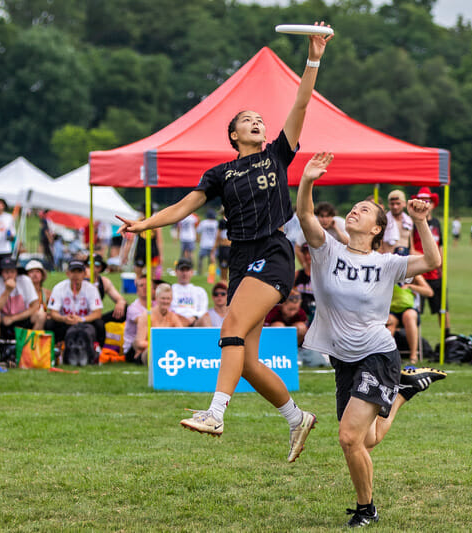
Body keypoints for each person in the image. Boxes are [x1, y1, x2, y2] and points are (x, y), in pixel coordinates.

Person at [116, 25, 331, 460]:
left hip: (272, 253)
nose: (258, 123)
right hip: (241, 259)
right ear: (233, 135)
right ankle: (296, 418)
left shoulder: (277, 153)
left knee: (229, 329)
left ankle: (215, 413)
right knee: (247, 361)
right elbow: (183, 208)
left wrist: (313, 58)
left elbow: (302, 101)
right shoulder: (220, 174)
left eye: (261, 121)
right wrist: (144, 225)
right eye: (248, 121)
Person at [296, 152, 446, 527]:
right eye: (354, 207)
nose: (354, 211)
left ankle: (367, 510)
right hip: (343, 360)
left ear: (377, 228)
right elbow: (305, 215)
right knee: (367, 439)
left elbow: (431, 261)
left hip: (378, 354)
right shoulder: (327, 251)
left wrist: (420, 221)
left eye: (364, 210)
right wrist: (308, 180)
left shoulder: (387, 263)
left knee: (349, 438)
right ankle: (402, 393)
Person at [0, 257, 40, 364]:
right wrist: (7, 291)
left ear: (16, 272)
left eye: (12, 271)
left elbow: (35, 306)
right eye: (6, 272)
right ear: (1, 272)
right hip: (2, 318)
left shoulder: (25, 280)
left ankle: (29, 351)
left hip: (21, 317)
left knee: (40, 315)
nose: (9, 275)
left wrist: (13, 318)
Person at [411, 187, 449, 335]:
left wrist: (442, 267)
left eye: (427, 201)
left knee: (442, 307)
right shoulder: (413, 222)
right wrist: (426, 259)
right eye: (421, 201)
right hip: (419, 272)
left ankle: (447, 338)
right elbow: (411, 247)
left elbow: (440, 247)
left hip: (435, 273)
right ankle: (416, 342)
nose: (424, 204)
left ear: (432, 204)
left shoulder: (437, 223)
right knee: (416, 309)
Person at [44, 260, 103, 344]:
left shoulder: (91, 289)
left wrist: (81, 319)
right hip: (65, 321)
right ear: (67, 274)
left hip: (84, 322)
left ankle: (98, 348)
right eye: (73, 272)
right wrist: (64, 318)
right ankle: (53, 347)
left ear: (84, 274)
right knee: (49, 323)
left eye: (79, 272)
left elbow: (97, 313)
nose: (76, 275)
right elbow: (53, 312)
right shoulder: (59, 288)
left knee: (99, 323)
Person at [386, 272, 433, 365]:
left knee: (409, 316)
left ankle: (413, 355)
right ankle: (385, 355)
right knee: (389, 322)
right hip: (392, 310)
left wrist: (411, 287)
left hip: (410, 309)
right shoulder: (388, 272)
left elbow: (429, 292)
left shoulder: (414, 274)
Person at [169, 257, 209, 327]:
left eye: (187, 270)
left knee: (206, 319)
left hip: (195, 321)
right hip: (176, 320)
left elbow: (203, 310)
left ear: (191, 272)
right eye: (182, 270)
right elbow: (169, 309)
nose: (184, 273)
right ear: (176, 271)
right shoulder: (170, 289)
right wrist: (182, 319)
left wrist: (194, 317)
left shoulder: (200, 291)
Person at [91, 253, 127, 324]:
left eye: (97, 265)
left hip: (96, 317)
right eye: (89, 263)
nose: (93, 267)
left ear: (101, 268)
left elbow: (119, 298)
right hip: (80, 317)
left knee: (126, 310)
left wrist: (120, 302)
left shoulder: (104, 282)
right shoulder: (79, 281)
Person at [381, 190, 413, 254]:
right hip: (388, 258)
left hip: (405, 258)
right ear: (389, 204)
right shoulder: (384, 220)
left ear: (404, 204)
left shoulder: (409, 221)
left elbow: (411, 246)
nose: (395, 207)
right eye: (392, 204)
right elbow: (379, 245)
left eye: (398, 203)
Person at [24, 259, 50, 330]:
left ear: (42, 275)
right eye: (31, 272)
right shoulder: (23, 292)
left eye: (37, 272)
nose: (35, 275)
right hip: (26, 321)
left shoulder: (46, 293)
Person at [196, 210, 219, 276]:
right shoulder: (216, 223)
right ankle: (211, 273)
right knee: (212, 260)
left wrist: (198, 239)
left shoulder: (203, 223)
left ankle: (199, 272)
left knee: (200, 258)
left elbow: (198, 231)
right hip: (213, 244)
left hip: (204, 244)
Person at [213, 210, 232, 283]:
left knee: (224, 269)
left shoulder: (222, 222)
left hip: (225, 247)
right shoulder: (230, 221)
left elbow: (218, 236)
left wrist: (214, 248)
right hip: (228, 247)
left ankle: (224, 282)